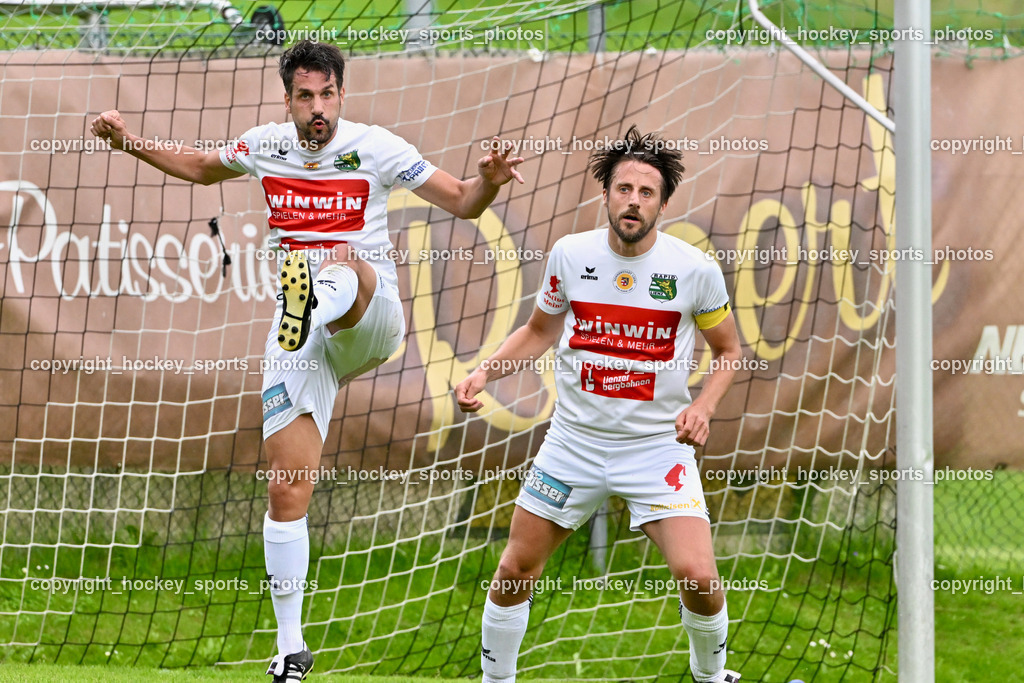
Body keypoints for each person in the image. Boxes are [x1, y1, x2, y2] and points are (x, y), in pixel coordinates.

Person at [91, 40, 524, 682]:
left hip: (370, 316)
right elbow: (202, 167)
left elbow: (461, 199)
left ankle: (311, 301)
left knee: (339, 262)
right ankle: (290, 647)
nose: (316, 107)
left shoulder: (376, 147)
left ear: (341, 95)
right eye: (304, 96)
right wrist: (127, 141)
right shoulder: (265, 145)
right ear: (288, 99)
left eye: (327, 95)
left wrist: (488, 180)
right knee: (286, 486)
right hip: (302, 342)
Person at [455, 125, 742, 683]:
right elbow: (540, 330)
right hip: (573, 445)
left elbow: (730, 352)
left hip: (657, 450)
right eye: (623, 189)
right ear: (605, 193)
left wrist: (703, 406)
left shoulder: (693, 269)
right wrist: (486, 371)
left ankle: (712, 677)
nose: (632, 201)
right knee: (515, 568)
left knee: (700, 579)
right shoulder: (570, 255)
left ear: (662, 203)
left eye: (646, 192)